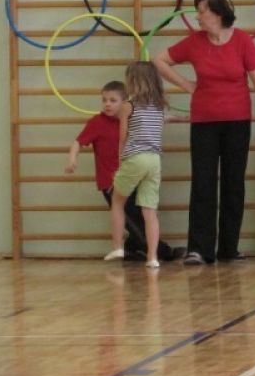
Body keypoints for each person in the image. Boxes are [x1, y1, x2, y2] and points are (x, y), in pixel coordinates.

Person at [154, 0, 255, 265]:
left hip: (238, 121)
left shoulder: (242, 40)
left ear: (218, 14)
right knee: (203, 183)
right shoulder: (194, 42)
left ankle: (228, 248)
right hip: (204, 123)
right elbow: (159, 60)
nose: (198, 17)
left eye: (202, 11)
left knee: (234, 183)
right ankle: (199, 249)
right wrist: (186, 84)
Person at [65, 81, 181, 262]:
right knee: (133, 221)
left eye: (113, 100)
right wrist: (72, 159)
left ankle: (134, 249)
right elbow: (78, 142)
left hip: (133, 178)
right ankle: (163, 252)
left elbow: (163, 117)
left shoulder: (132, 119)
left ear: (125, 102)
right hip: (111, 183)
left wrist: (185, 118)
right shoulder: (97, 122)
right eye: (104, 100)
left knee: (140, 217)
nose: (107, 104)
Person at [106, 62, 167, 268]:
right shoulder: (158, 106)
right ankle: (153, 258)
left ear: (132, 82)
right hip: (154, 160)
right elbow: (162, 122)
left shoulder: (128, 106)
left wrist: (120, 162)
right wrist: (184, 118)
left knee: (117, 200)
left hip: (135, 158)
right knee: (150, 211)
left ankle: (117, 246)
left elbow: (123, 137)